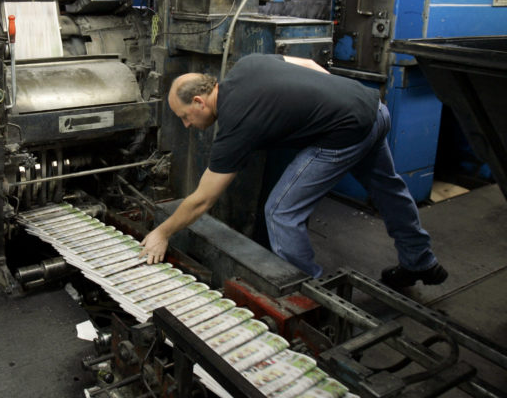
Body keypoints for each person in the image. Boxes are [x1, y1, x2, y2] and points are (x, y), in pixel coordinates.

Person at [140, 53, 448, 290]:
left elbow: (203, 200)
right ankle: (421, 261)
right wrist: (334, 102)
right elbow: (311, 65)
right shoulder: (248, 64)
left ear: (199, 101)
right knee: (389, 192)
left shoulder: (236, 124)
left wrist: (162, 232)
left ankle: (312, 296)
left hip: (346, 132)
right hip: (372, 108)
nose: (186, 125)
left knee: (280, 213)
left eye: (184, 116)